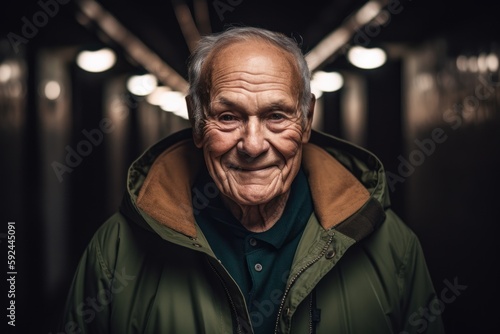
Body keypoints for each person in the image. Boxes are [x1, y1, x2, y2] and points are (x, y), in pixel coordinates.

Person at [58, 26, 445, 334]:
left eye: (277, 116)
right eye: (228, 117)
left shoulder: (390, 245)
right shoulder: (116, 250)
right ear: (195, 119)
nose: (253, 144)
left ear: (307, 119)